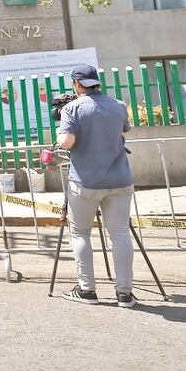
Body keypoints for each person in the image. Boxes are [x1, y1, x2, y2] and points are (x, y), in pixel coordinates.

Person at [57, 65, 138, 308]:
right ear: (97, 82)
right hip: (120, 178)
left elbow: (67, 142)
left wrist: (60, 134)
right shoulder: (118, 105)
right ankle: (125, 293)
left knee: (80, 233)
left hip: (86, 181)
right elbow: (125, 129)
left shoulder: (72, 108)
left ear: (76, 83)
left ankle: (87, 289)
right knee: (120, 234)